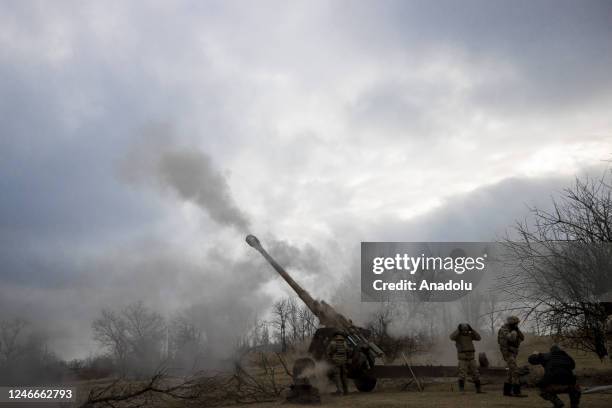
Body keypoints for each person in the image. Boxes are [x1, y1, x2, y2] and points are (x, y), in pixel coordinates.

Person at [449, 323, 483, 393]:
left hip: (471, 357)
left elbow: (479, 338)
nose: (465, 331)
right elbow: (451, 337)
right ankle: (461, 390)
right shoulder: (458, 336)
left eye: (466, 329)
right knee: (462, 374)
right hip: (463, 358)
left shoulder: (470, 335)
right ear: (461, 330)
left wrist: (472, 330)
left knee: (476, 374)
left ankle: (478, 390)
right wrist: (458, 330)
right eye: (464, 329)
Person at [498, 315, 527, 397]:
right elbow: (511, 338)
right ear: (512, 323)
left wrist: (517, 330)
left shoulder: (514, 329)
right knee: (515, 371)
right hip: (508, 353)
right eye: (516, 323)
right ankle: (517, 392)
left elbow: (522, 338)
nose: (517, 325)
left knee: (510, 372)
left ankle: (506, 392)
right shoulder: (504, 330)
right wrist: (514, 332)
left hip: (513, 353)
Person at [326, 330, 349, 395]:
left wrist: (331, 359)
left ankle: (340, 391)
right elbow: (348, 351)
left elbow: (328, 352)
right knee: (344, 376)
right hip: (344, 361)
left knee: (337, 376)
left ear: (335, 336)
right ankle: (346, 391)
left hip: (336, 362)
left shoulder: (333, 343)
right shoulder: (344, 343)